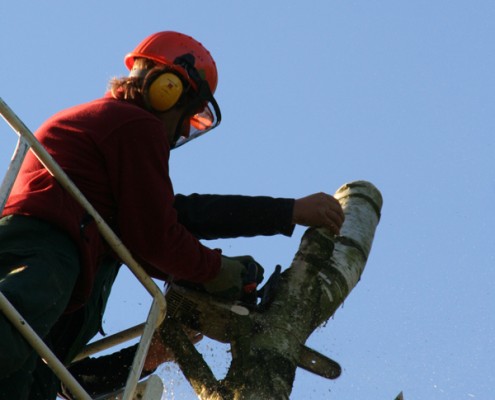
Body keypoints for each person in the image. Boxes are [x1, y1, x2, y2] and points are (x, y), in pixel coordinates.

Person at [0, 31, 345, 400]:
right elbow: (157, 237)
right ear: (168, 88)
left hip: (64, 264)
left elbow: (72, 383)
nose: (183, 129)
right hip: (45, 248)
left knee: (27, 375)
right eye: (189, 114)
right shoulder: (134, 124)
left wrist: (285, 213)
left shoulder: (101, 213)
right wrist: (217, 271)